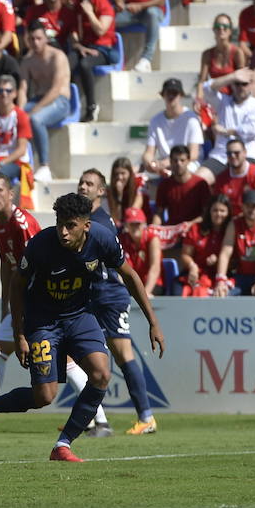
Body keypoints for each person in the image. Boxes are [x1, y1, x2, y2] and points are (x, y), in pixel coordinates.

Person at [0, 193, 164, 462]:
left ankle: (62, 445)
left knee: (101, 374)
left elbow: (129, 275)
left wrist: (153, 321)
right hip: (43, 321)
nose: (63, 231)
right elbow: (16, 284)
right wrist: (19, 333)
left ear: (86, 225)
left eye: (70, 225)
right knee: (44, 396)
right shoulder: (41, 245)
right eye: (60, 223)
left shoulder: (103, 239)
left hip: (79, 317)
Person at [79, 168, 161, 434]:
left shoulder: (98, 222)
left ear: (101, 191)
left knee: (123, 356)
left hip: (109, 294)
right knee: (81, 355)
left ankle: (146, 417)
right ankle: (91, 418)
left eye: (89, 183)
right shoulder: (88, 219)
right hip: (95, 294)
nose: (83, 186)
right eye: (81, 182)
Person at [215, 188, 255, 297]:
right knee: (222, 293)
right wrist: (220, 279)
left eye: (254, 206)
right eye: (247, 205)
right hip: (242, 276)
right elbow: (225, 253)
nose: (251, 209)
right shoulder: (234, 224)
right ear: (242, 206)